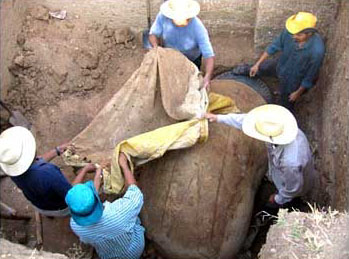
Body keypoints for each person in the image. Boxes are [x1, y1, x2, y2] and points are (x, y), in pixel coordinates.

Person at [205, 104, 316, 211]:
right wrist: (218, 118)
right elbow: (246, 121)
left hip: (294, 185)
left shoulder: (290, 162)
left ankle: (288, 209)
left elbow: (293, 188)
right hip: (284, 175)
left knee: (279, 205)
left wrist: (278, 199)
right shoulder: (281, 129)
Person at [235, 12, 325, 112]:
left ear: (309, 34)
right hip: (281, 65)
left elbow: (310, 76)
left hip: (294, 80)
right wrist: (257, 64)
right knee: (263, 67)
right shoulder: (290, 32)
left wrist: (297, 93)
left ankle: (282, 107)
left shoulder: (316, 51)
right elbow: (274, 47)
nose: (294, 36)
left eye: (299, 35)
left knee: (286, 100)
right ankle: (246, 70)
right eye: (293, 33)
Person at [0, 126, 96, 217]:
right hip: (60, 208)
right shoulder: (48, 173)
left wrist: (57, 151)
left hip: (39, 205)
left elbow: (36, 162)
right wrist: (84, 170)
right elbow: (71, 193)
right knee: (74, 207)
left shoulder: (12, 171)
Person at [65, 152, 145, 259]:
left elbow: (85, 196)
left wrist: (98, 173)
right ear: (96, 199)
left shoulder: (76, 225)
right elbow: (134, 190)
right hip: (133, 251)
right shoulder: (120, 212)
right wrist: (124, 165)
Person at [149, 0, 215, 89]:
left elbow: (209, 55)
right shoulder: (163, 17)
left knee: (190, 84)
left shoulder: (198, 28)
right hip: (170, 57)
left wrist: (207, 77)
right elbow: (153, 34)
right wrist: (156, 48)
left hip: (191, 60)